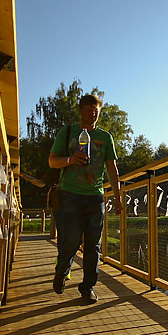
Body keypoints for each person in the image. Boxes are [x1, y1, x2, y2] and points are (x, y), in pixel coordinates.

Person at [48, 94, 123, 304]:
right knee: (70, 240)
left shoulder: (106, 137)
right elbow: (52, 162)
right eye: (89, 110)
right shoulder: (68, 132)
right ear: (80, 110)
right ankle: (61, 272)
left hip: (95, 197)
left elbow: (112, 168)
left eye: (96, 110)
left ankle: (88, 286)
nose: (93, 113)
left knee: (94, 245)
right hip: (70, 194)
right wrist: (71, 159)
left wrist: (117, 197)